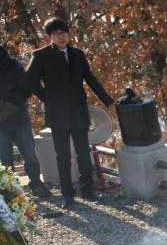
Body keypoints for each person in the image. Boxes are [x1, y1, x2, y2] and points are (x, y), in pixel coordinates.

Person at [25, 18, 115, 208]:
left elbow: (91, 79)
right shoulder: (41, 55)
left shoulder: (77, 54)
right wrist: (48, 98)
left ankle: (88, 189)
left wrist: (108, 101)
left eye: (64, 33)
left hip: (78, 111)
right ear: (50, 36)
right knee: (63, 155)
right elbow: (30, 81)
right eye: (57, 33)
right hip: (58, 113)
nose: (62, 37)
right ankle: (68, 194)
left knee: (83, 152)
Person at [0, 44, 49, 197]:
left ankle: (36, 183)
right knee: (4, 158)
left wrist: (8, 106)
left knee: (29, 154)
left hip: (18, 117)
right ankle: (10, 190)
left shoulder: (14, 65)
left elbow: (25, 87)